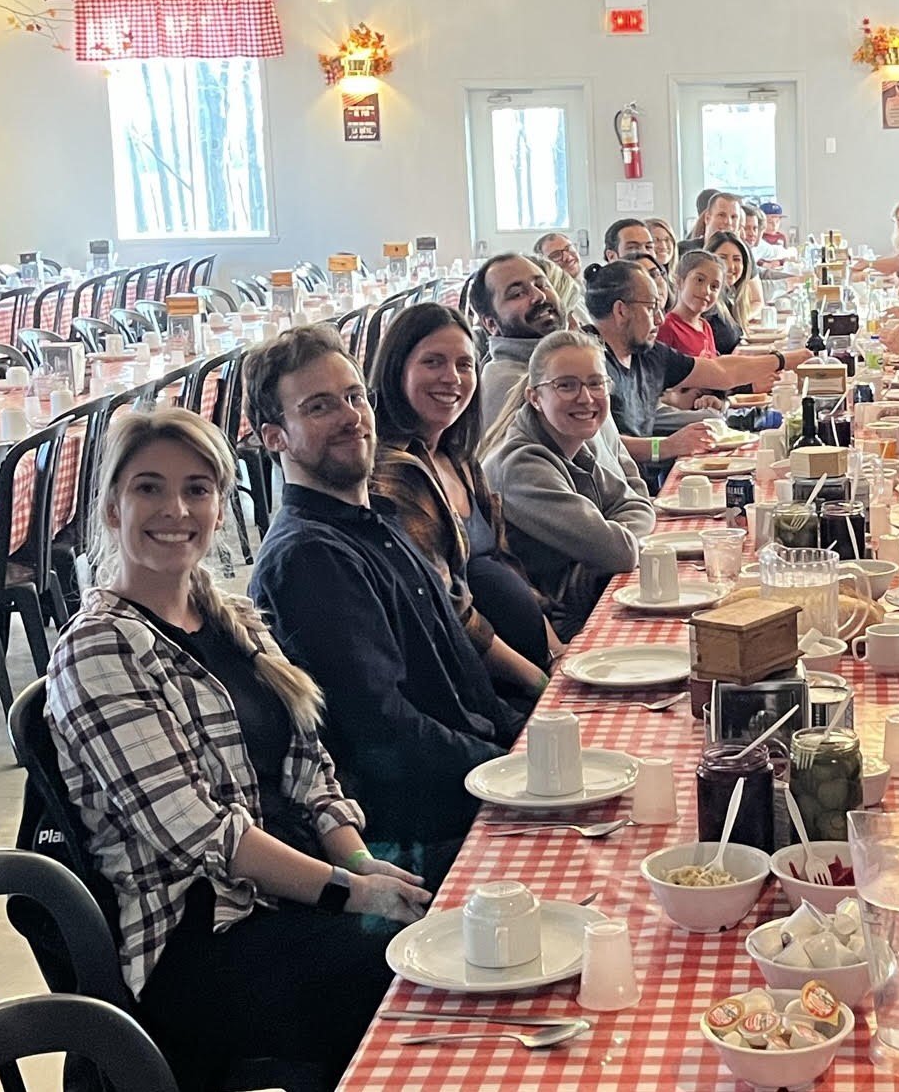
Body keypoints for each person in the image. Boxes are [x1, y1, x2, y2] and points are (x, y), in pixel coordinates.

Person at [48, 407, 432, 1091]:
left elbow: (310, 768)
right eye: (149, 488)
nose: (176, 508)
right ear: (110, 506)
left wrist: (363, 863)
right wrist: (351, 894)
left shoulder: (233, 617)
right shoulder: (97, 647)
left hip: (287, 896)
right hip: (198, 940)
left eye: (197, 488)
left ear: (221, 506)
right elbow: (197, 833)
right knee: (413, 980)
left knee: (445, 910)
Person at [247, 326, 521, 875]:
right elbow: (386, 735)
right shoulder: (310, 559)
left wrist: (527, 736)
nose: (351, 416)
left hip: (467, 777)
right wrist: (514, 771)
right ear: (274, 436)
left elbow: (463, 674)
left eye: (355, 397)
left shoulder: (379, 520)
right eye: (320, 406)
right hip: (418, 828)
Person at [369, 304, 558, 693]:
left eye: (465, 364)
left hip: (532, 664)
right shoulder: (394, 475)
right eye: (433, 362)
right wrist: (538, 680)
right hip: (481, 687)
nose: (451, 378)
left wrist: (555, 651)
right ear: (396, 370)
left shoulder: (459, 457)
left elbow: (504, 565)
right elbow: (450, 610)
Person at [482, 330, 657, 641]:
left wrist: (615, 534)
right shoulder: (521, 466)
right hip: (562, 629)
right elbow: (619, 551)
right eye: (566, 385)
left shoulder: (580, 439)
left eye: (595, 383)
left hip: (595, 601)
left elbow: (639, 502)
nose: (586, 397)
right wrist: (614, 538)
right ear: (534, 397)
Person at [585, 259, 800, 468]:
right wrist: (666, 446)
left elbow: (721, 372)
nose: (660, 319)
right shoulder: (586, 362)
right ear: (621, 310)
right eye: (652, 308)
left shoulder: (645, 352)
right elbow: (599, 442)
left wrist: (785, 359)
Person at [468, 253, 642, 484]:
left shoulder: (575, 365)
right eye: (517, 294)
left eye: (542, 284)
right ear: (491, 324)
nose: (539, 296)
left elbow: (617, 454)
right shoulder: (508, 383)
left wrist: (639, 500)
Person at [657, 249, 727, 359]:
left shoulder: (705, 326)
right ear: (679, 281)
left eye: (714, 287)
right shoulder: (667, 327)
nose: (706, 291)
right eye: (699, 280)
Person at [706, 230, 763, 355]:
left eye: (736, 259)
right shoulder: (706, 304)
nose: (730, 266)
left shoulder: (728, 298)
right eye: (722, 258)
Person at [679, 191, 744, 253]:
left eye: (733, 217)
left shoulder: (743, 252)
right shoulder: (684, 250)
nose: (728, 222)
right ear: (707, 218)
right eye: (721, 215)